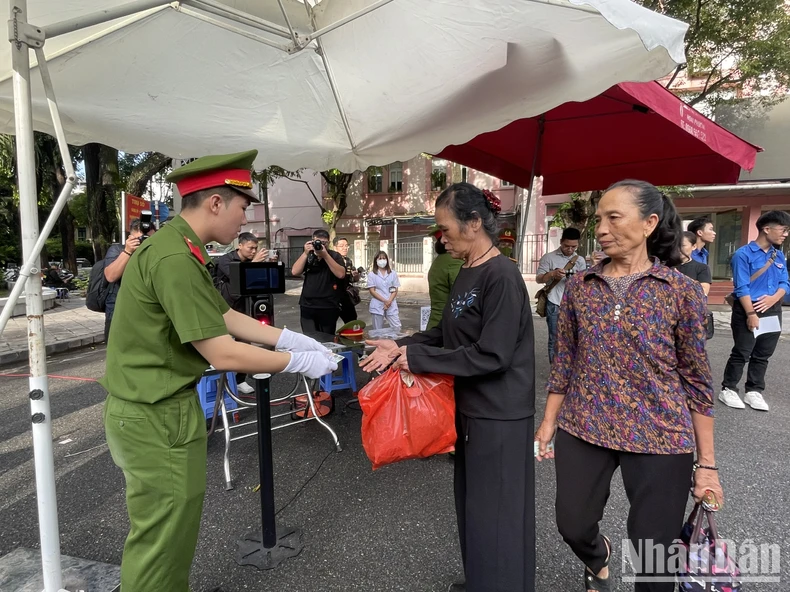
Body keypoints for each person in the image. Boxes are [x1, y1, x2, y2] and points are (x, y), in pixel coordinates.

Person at [100, 150, 337, 592]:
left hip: (160, 410)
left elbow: (223, 317)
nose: (245, 216)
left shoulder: (181, 249)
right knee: (161, 545)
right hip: (155, 414)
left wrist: (290, 338)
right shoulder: (173, 258)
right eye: (243, 206)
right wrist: (298, 361)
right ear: (215, 203)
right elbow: (223, 352)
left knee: (172, 535)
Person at [534, 180, 722, 592]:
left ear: (649, 223)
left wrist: (706, 465)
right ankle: (597, 556)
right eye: (599, 219)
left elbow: (697, 378)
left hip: (660, 434)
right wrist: (548, 422)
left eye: (613, 217)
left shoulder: (682, 291)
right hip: (585, 425)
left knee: (655, 558)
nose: (601, 228)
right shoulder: (580, 288)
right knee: (572, 522)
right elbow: (564, 359)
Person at [361, 184, 536, 592]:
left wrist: (417, 360)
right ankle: (481, 580)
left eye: (444, 228)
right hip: (471, 408)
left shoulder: (503, 275)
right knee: (474, 509)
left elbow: (493, 355)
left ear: (474, 224)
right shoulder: (468, 270)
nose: (442, 238)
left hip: (500, 415)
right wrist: (400, 346)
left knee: (498, 515)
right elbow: (446, 333)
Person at [719, 210, 790, 412]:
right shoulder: (743, 254)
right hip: (748, 309)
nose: (785, 234)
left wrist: (774, 298)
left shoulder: (778, 254)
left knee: (763, 354)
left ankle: (754, 390)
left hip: (772, 308)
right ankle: (728, 388)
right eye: (783, 229)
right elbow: (741, 287)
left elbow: (785, 281)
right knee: (742, 351)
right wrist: (751, 314)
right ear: (767, 229)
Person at [213, 231, 269, 394]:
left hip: (245, 307)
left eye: (255, 248)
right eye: (250, 248)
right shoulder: (225, 260)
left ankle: (240, 380)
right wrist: (254, 264)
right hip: (225, 308)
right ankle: (222, 379)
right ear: (240, 245)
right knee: (223, 346)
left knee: (245, 344)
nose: (253, 251)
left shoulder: (253, 260)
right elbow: (235, 276)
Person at [535, 228, 588, 363]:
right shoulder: (549, 257)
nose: (570, 249)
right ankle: (554, 371)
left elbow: (583, 283)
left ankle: (569, 370)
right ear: (560, 242)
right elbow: (539, 279)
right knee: (554, 338)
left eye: (573, 247)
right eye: (566, 246)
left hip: (574, 304)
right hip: (554, 302)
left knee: (574, 338)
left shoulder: (580, 260)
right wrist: (552, 274)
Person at [102, 219, 157, 343]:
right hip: (119, 313)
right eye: (140, 239)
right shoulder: (117, 250)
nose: (144, 242)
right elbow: (110, 276)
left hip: (147, 314)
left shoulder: (154, 252)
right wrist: (128, 251)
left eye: (150, 239)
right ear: (130, 237)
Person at [291, 229, 347, 334]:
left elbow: (341, 274)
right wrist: (305, 253)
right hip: (308, 304)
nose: (321, 245)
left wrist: (325, 255)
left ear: (328, 243)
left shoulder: (334, 256)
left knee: (327, 339)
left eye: (324, 243)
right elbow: (295, 271)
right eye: (317, 242)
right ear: (312, 241)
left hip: (328, 305)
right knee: (309, 338)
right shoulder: (309, 255)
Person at [426, 227, 463, 330]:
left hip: (435, 322)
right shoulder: (454, 261)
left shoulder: (438, 262)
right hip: (446, 327)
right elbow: (461, 294)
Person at [367, 250, 402, 332]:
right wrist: (384, 301)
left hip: (391, 303)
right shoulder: (372, 274)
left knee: (397, 327)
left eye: (384, 258)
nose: (382, 260)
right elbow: (372, 291)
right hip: (378, 304)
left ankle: (396, 344)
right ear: (376, 261)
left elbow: (395, 289)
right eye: (380, 259)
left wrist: (389, 301)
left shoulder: (392, 273)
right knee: (377, 330)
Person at [675, 231, 712, 295]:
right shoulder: (666, 267)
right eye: (676, 246)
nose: (679, 249)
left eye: (682, 245)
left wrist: (680, 276)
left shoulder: (702, 268)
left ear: (694, 246)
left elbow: (703, 292)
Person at [334, 236, 360, 323]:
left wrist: (355, 277)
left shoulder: (348, 261)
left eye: (346, 245)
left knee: (352, 320)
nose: (345, 248)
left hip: (345, 296)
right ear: (335, 247)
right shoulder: (331, 260)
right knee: (329, 323)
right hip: (332, 296)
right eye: (341, 246)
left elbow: (351, 279)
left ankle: (349, 336)